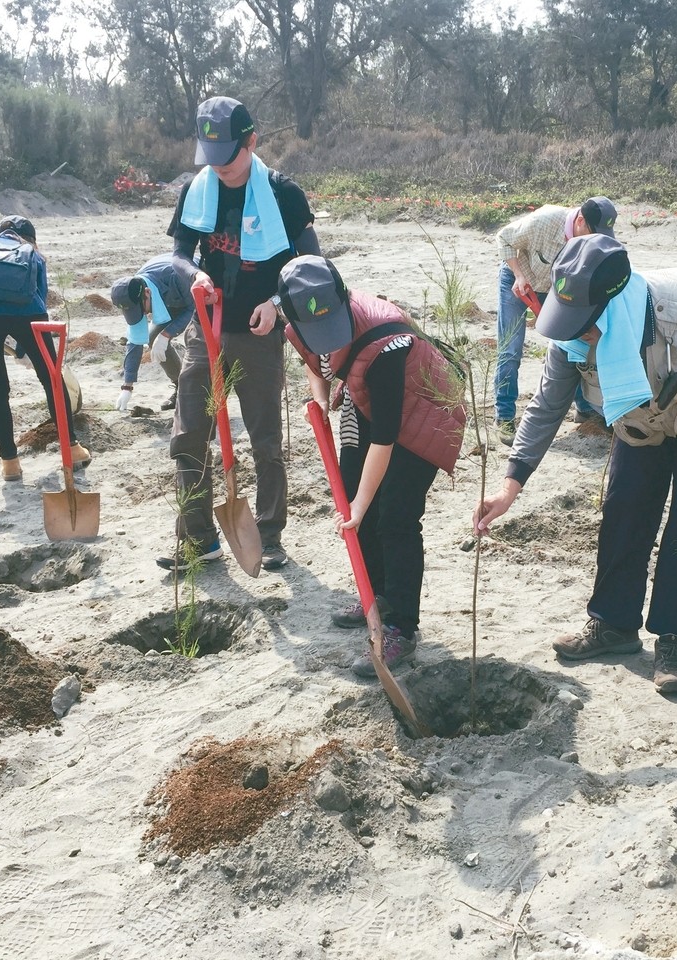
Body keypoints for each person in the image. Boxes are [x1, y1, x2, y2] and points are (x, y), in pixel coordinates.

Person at [473, 235, 677, 695]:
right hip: (639, 424)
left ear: (614, 304)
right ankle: (613, 624)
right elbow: (546, 406)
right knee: (624, 509)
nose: (577, 334)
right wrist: (511, 485)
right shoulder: (571, 333)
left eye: (586, 326)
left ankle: (672, 640)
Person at [279, 256, 467, 677]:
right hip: (362, 402)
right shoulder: (296, 324)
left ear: (344, 299)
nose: (327, 342)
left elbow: (385, 437)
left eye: (334, 332)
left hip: (425, 410)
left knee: (394, 516)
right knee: (355, 504)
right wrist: (322, 398)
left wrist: (362, 504)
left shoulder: (387, 340)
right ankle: (378, 594)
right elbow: (318, 365)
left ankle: (401, 627)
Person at [157, 96, 321, 573]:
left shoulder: (283, 193)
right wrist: (194, 275)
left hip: (258, 330)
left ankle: (269, 536)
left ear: (252, 141)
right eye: (210, 156)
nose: (219, 167)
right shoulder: (197, 189)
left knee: (265, 438)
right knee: (189, 435)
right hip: (205, 326)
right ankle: (198, 538)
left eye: (228, 155)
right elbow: (180, 252)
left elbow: (310, 266)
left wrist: (276, 304)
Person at [0, 215, 90, 481]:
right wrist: (28, 347)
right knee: (52, 380)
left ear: (0, 233)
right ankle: (72, 448)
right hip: (27, 315)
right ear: (31, 239)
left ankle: (10, 462)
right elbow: (40, 295)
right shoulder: (32, 253)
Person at [494, 197, 617, 443]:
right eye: (593, 232)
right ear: (580, 220)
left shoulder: (593, 239)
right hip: (518, 283)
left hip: (554, 290)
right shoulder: (544, 221)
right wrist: (518, 275)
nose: (595, 239)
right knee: (510, 349)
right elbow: (504, 237)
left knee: (571, 344)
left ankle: (584, 408)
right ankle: (504, 416)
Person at [110, 253, 193, 412]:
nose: (142, 314)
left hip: (202, 295)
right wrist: (127, 387)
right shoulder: (134, 290)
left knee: (198, 341)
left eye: (141, 309)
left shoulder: (175, 275)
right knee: (153, 336)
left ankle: (207, 393)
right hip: (173, 300)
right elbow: (135, 340)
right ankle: (182, 390)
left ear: (147, 293)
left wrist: (167, 334)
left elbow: (193, 308)